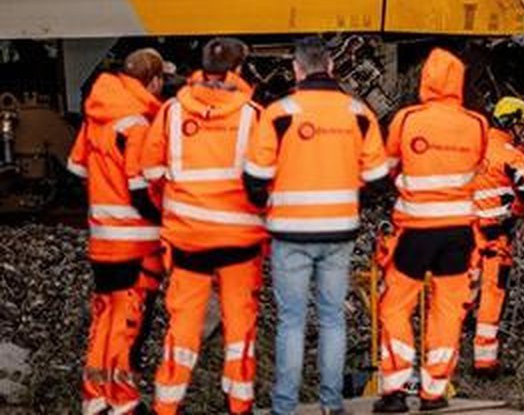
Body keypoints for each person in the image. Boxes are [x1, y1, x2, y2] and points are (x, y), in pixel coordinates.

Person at [244, 37, 390, 415]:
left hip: (290, 232)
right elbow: (378, 178)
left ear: (296, 69)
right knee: (332, 319)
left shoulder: (278, 113)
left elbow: (254, 179)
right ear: (331, 66)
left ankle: (285, 407)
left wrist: (271, 201)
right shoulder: (358, 113)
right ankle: (331, 405)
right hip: (339, 230)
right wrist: (350, 190)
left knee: (292, 321)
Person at [138, 38, 265, 415]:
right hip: (239, 243)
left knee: (183, 328)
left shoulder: (172, 112)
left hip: (188, 240)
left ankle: (167, 405)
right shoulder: (253, 116)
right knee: (240, 327)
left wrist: (176, 211)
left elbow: (151, 171)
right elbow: (266, 178)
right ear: (238, 71)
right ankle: (239, 404)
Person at [374, 48, 488, 413]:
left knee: (395, 306)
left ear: (426, 79)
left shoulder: (407, 120)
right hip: (459, 234)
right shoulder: (478, 124)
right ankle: (434, 392)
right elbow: (478, 167)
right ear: (458, 82)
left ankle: (393, 390)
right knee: (447, 310)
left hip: (415, 232)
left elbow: (387, 168)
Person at [69, 48, 168, 415]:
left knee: (104, 318)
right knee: (127, 324)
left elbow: (77, 168)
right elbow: (141, 191)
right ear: (152, 81)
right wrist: (165, 220)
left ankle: (95, 398)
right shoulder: (137, 125)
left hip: (102, 238)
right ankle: (123, 402)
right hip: (133, 242)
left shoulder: (96, 117)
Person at [468, 96, 524, 375]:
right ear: (511, 123)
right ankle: (484, 362)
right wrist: (517, 211)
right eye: (522, 126)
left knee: (462, 291)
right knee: (491, 294)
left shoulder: (474, 144)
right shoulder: (512, 154)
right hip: (496, 235)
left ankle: (441, 356)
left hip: (466, 231)